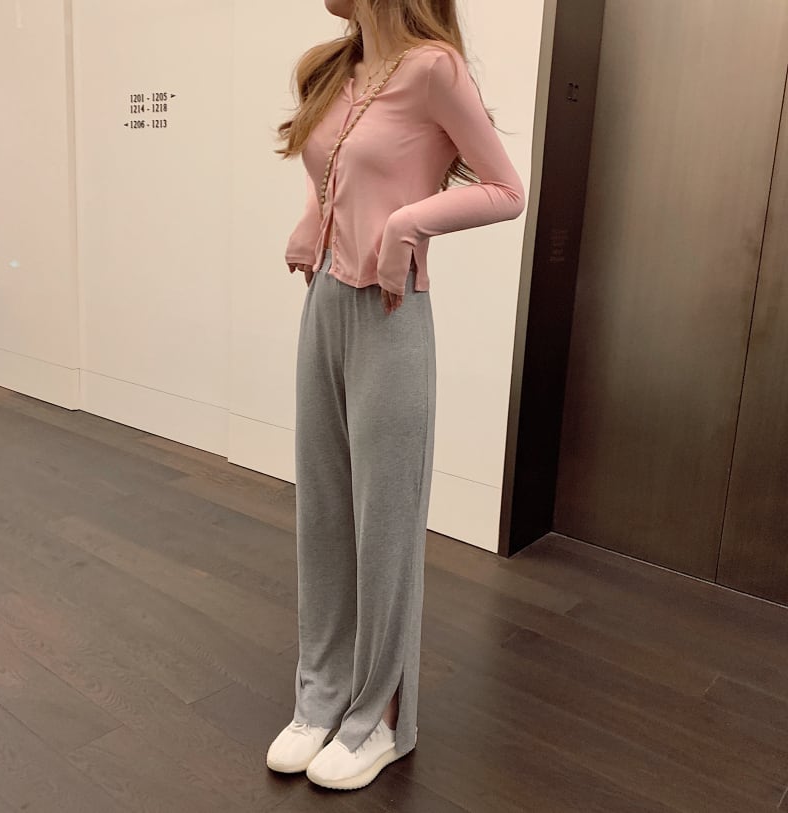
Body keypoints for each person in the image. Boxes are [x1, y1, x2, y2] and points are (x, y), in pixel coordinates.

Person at [266, 0, 526, 791]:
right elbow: (339, 169)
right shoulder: (332, 66)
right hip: (325, 302)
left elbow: (506, 188)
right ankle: (321, 693)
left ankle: (379, 717)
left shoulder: (432, 70)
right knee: (323, 508)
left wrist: (407, 225)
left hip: (391, 308)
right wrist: (311, 218)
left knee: (385, 519)